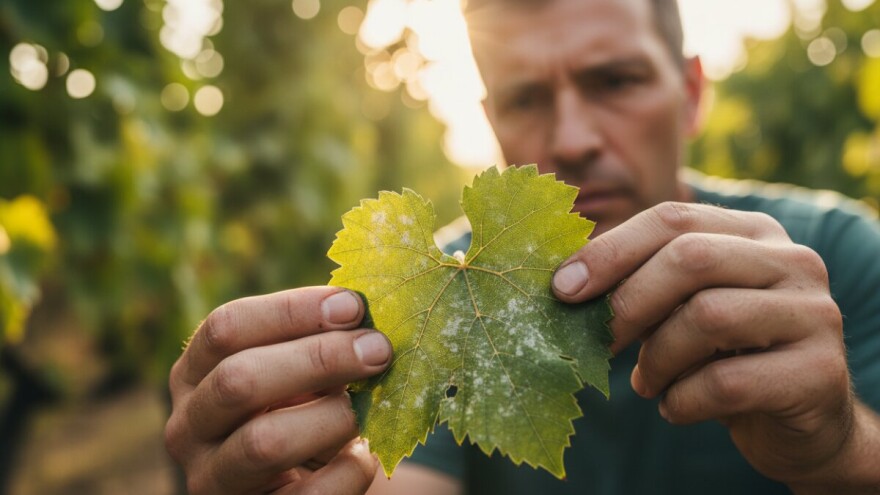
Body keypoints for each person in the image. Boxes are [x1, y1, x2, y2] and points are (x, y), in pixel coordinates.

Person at [163, 0, 880, 493]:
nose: (572, 137)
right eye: (525, 98)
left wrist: (842, 451)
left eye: (615, 81)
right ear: (489, 120)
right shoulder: (421, 303)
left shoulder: (833, 256)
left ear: (691, 93)